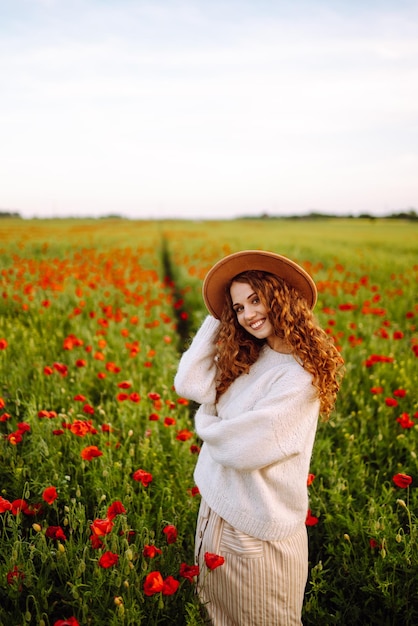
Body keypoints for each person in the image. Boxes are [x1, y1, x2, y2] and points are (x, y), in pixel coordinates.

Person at [174, 250, 343, 625]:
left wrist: (207, 422)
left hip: (257, 528)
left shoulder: (300, 376)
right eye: (237, 308)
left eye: (255, 299)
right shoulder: (253, 354)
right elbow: (189, 383)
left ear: (280, 296)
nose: (248, 314)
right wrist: (219, 318)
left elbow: (243, 447)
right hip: (216, 512)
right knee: (218, 618)